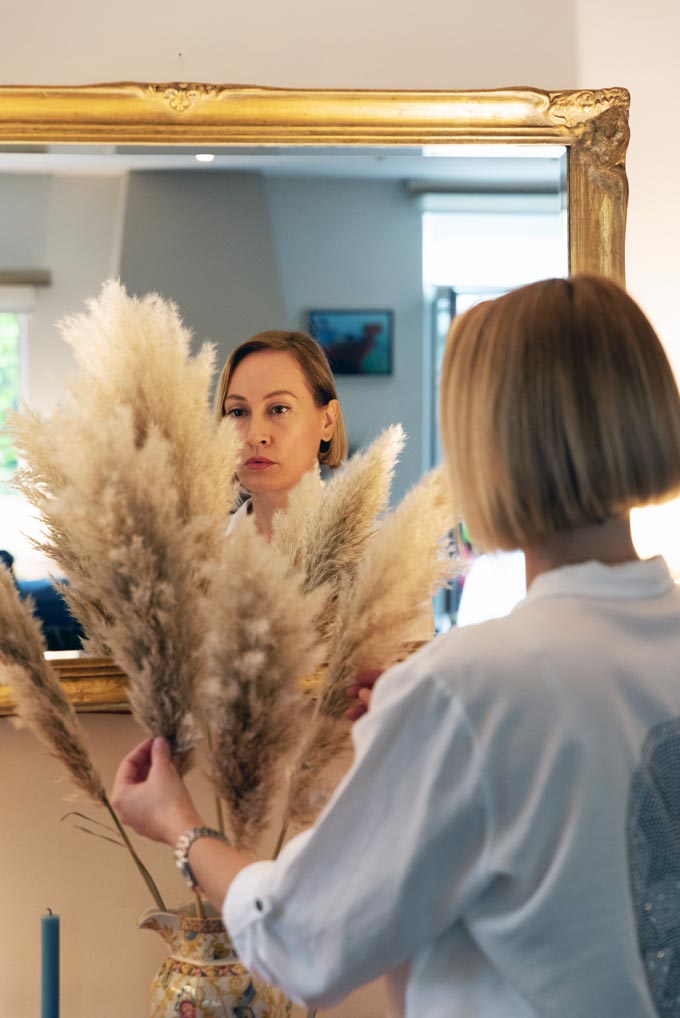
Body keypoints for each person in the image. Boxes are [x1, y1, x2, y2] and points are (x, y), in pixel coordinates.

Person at [112, 275, 680, 1018]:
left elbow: (299, 942)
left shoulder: (469, 691)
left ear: (486, 449)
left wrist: (181, 829)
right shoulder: (474, 693)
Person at [215, 329, 348, 541]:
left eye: (279, 409)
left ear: (327, 421)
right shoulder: (199, 554)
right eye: (238, 412)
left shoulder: (374, 553)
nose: (254, 435)